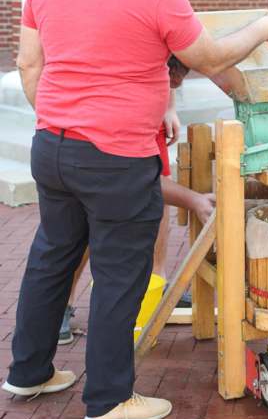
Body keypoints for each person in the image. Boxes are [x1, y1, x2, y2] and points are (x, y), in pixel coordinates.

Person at [4, 0, 268, 419]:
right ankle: (109, 402)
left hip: (53, 149)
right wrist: (263, 27)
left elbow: (28, 64)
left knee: (52, 257)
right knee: (122, 273)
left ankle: (28, 371)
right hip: (116, 157)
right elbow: (212, 58)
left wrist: (61, 115)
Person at [58, 56, 213, 344]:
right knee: (93, 217)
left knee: (157, 205)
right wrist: (194, 200)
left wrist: (169, 106)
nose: (177, 83)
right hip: (103, 122)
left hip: (146, 103)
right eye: (173, 78)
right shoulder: (124, 84)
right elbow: (146, 182)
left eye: (177, 80)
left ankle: (156, 282)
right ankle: (61, 306)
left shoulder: (162, 71)